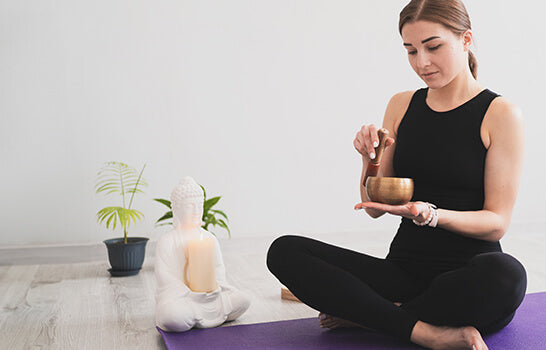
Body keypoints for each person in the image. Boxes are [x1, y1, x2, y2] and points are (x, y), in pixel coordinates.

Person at [267, 0, 526, 349]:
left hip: (468, 278)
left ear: (466, 40)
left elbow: (497, 222)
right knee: (284, 251)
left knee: (509, 276)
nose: (422, 62)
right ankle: (424, 331)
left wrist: (431, 215)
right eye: (411, 51)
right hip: (403, 272)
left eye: (433, 47)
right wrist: (369, 160)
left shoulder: (500, 113)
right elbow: (374, 207)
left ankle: (370, 314)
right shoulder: (402, 104)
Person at [155, 177, 250, 332]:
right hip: (183, 299)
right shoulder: (167, 241)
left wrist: (214, 289)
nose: (196, 211)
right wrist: (190, 294)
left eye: (200, 206)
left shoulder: (209, 238)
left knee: (243, 299)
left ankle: (198, 316)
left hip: (212, 297)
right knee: (172, 316)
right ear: (177, 209)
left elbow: (218, 269)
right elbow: (166, 278)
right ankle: (190, 315)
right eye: (190, 206)